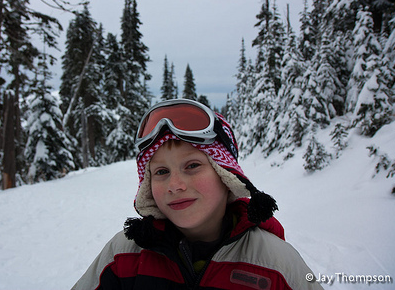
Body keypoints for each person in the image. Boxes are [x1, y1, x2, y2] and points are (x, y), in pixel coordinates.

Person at [72, 99, 323, 290]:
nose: (175, 184)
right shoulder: (125, 254)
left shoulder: (275, 263)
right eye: (161, 171)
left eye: (192, 166)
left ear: (226, 176)